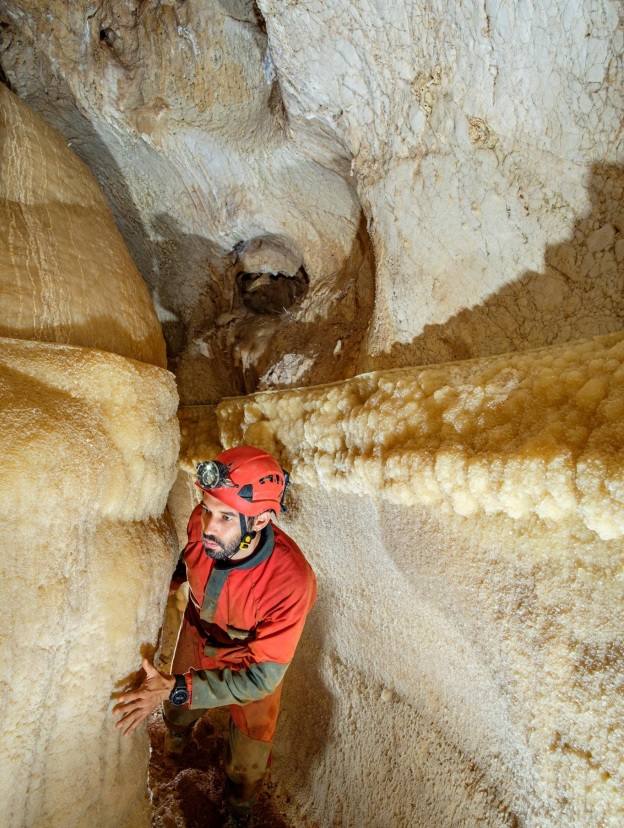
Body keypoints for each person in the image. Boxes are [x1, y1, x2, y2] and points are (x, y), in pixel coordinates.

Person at [113, 445, 316, 825]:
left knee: (248, 760)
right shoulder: (200, 525)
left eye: (225, 517)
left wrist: (176, 685)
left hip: (251, 661)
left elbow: (262, 677)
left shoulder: (290, 583)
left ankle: (238, 811)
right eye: (207, 509)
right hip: (198, 631)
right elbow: (186, 561)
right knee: (176, 713)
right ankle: (176, 750)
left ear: (260, 521)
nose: (209, 525)